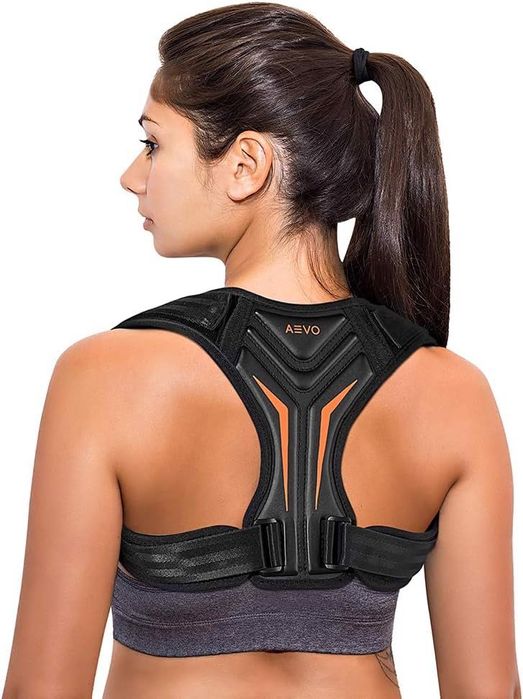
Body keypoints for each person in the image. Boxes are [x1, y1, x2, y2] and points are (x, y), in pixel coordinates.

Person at [2, 3, 520, 698]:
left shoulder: (105, 377)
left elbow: (41, 689)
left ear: (246, 164)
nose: (132, 175)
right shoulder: (454, 392)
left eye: (153, 144)